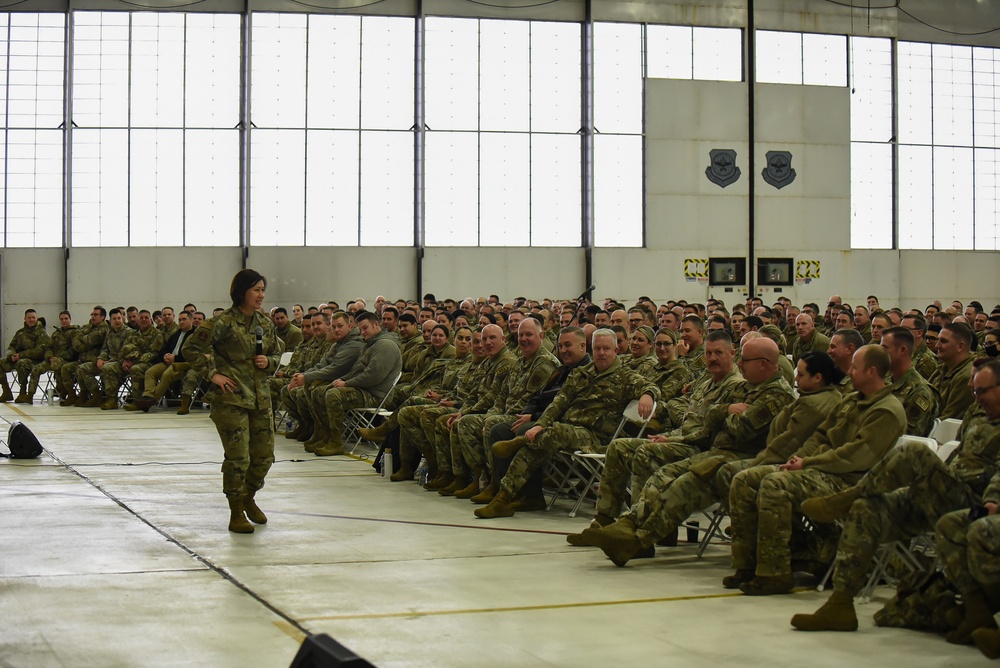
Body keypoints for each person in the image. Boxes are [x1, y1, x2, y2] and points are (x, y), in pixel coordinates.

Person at [183, 269, 283, 534]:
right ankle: (236, 511)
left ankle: (249, 496)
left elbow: (277, 351)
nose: (261, 295)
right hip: (231, 399)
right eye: (256, 290)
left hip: (261, 398)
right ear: (242, 292)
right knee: (238, 458)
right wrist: (212, 375)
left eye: (263, 289)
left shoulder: (264, 322)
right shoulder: (222, 322)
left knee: (264, 457)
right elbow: (191, 349)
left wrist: (269, 362)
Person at [1, 309, 50, 403]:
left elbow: (39, 351)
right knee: (1, 363)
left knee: (21, 363)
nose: (31, 320)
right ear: (25, 319)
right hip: (19, 358)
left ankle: (23, 391)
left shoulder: (42, 333)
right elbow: (11, 347)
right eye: (29, 318)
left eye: (33, 317)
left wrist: (21, 355)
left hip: (35, 361)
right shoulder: (20, 333)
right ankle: (6, 391)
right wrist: (11, 355)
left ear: (37, 318)